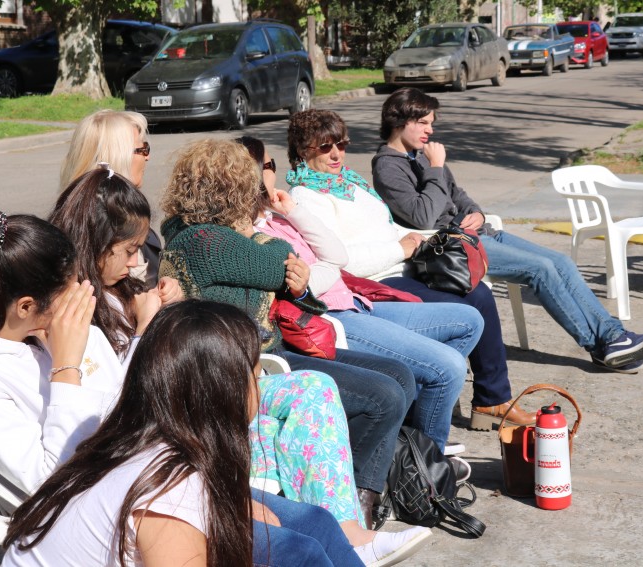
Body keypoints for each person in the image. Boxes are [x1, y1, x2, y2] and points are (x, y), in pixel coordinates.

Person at [160, 139, 431, 556]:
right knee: (373, 394)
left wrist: (281, 265)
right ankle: (352, 525)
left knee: (398, 375)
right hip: (243, 369)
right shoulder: (206, 241)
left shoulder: (198, 235)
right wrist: (266, 244)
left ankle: (367, 507)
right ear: (233, 190)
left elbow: (292, 278)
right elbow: (280, 261)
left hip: (263, 356)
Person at [2, 300, 368, 567]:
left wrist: (235, 504)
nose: (262, 384)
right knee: (299, 554)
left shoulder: (142, 435)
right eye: (256, 375)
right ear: (223, 391)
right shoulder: (169, 487)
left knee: (315, 523)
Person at [371, 88, 643, 381]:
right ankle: (603, 345)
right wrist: (435, 167)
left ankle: (612, 338)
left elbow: (456, 193)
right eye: (423, 122)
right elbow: (421, 215)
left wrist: (477, 213)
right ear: (399, 121)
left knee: (560, 263)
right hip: (451, 248)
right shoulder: (388, 166)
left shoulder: (420, 156)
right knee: (539, 270)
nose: (430, 130)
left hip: (477, 233)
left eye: (432, 122)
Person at [285, 109, 536, 431]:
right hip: (371, 283)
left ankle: (491, 400)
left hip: (402, 266)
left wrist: (425, 237)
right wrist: (397, 249)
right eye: (325, 147)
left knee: (480, 293)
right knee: (460, 313)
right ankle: (421, 405)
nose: (336, 154)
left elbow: (381, 227)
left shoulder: (348, 182)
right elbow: (340, 260)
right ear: (303, 149)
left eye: (342, 144)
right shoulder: (306, 197)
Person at [239, 135, 484, 455]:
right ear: (255, 174)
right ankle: (425, 465)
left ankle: (410, 434)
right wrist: (322, 270)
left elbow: (335, 257)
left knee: (469, 319)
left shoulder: (279, 214)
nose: (337, 153)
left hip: (356, 302)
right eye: (270, 165)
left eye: (342, 144)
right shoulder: (255, 233)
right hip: (332, 318)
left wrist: (294, 211)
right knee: (448, 368)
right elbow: (315, 281)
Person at [0, 213, 123, 496]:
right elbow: (52, 480)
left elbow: (120, 398)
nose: (82, 292)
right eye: (69, 289)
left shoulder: (40, 332)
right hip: (84, 499)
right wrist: (67, 367)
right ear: (25, 307)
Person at [49, 167, 180, 362]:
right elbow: (116, 386)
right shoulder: (68, 312)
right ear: (97, 241)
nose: (134, 262)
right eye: (130, 250)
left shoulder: (115, 288)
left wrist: (167, 303)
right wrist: (144, 328)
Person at [59, 109, 160, 287]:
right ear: (117, 155)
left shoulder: (64, 224)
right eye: (142, 149)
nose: (148, 157)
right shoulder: (88, 237)